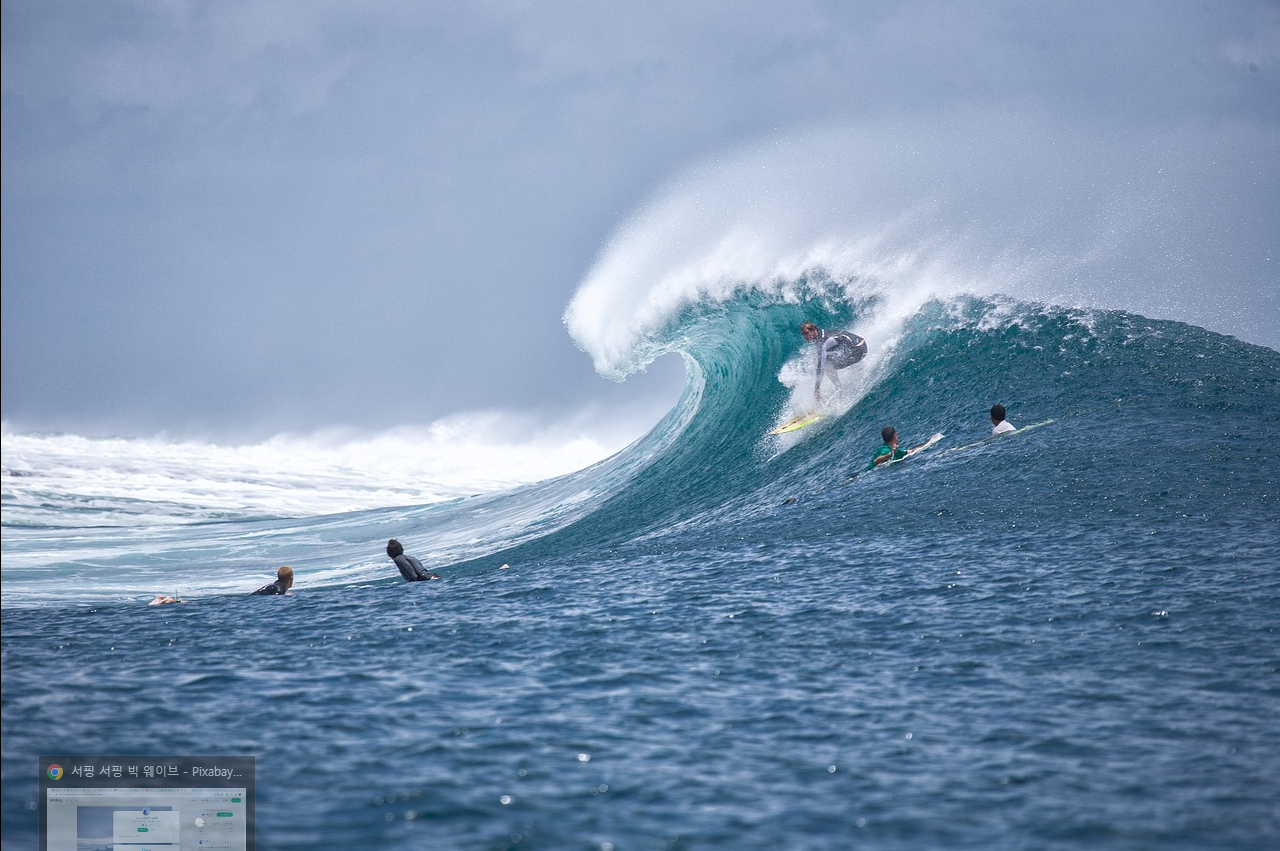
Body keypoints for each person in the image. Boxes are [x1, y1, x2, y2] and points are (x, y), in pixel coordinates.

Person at [800, 322, 867, 401]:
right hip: (861, 346)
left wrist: (817, 389)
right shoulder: (823, 333)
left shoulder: (823, 342)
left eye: (806, 333)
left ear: (814, 330)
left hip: (859, 350)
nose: (805, 336)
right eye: (803, 334)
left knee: (827, 365)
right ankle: (859, 367)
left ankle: (839, 390)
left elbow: (821, 367)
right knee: (829, 358)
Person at [867, 426, 935, 470]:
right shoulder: (885, 449)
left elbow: (911, 451)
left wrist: (930, 442)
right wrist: (890, 454)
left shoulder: (895, 450)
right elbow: (875, 461)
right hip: (868, 474)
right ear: (895, 435)